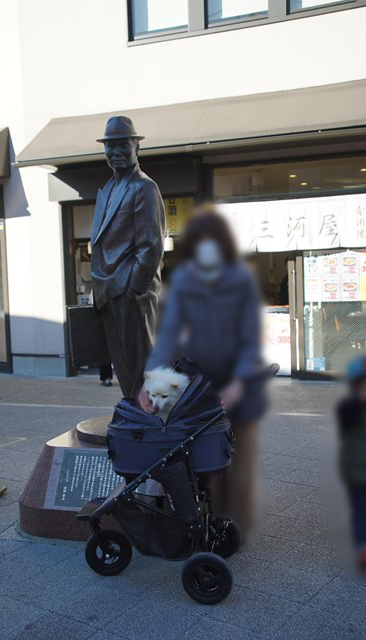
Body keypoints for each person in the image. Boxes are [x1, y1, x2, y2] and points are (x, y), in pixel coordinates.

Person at [139, 205, 265, 534]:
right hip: (202, 387)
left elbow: (251, 342)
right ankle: (205, 523)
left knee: (237, 459)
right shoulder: (183, 283)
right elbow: (167, 340)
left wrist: (239, 382)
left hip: (240, 385)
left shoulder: (241, 282)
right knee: (206, 457)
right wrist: (148, 382)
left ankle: (235, 526)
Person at [91, 116, 165, 398]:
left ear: (137, 147)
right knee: (121, 359)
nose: (116, 152)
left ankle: (146, 412)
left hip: (131, 290)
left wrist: (134, 288)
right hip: (108, 289)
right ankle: (133, 408)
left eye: (123, 145)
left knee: (140, 358)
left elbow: (152, 244)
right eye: (111, 146)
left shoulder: (144, 187)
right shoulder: (107, 189)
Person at [336, 355, 366, 569]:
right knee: (361, 511)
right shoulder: (349, 407)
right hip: (357, 472)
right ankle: (362, 548)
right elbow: (344, 422)